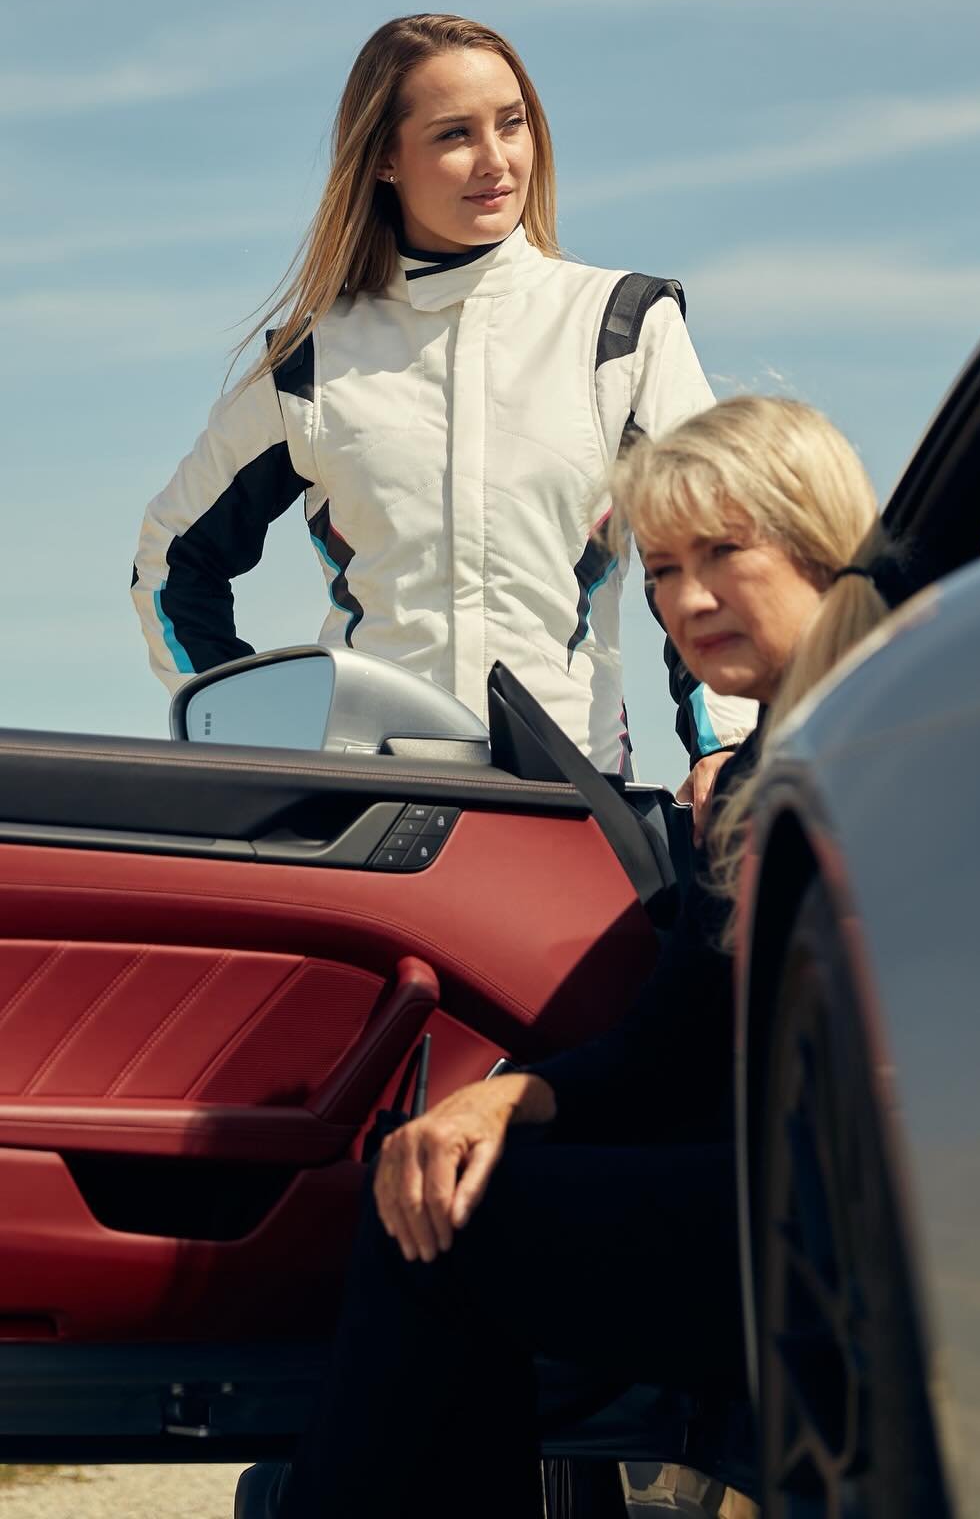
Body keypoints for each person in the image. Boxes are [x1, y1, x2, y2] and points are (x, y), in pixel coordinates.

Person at [234, 395, 906, 1519]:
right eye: (656, 571)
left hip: (869, 1202)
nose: (684, 601)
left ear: (821, 540)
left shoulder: (910, 728)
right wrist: (505, 1104)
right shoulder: (750, 780)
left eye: (722, 554)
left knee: (442, 1238)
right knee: (431, 1176)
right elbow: (669, 1044)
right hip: (773, 1194)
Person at [131, 13, 752, 793]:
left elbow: (716, 551)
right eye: (455, 135)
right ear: (385, 159)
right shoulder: (313, 359)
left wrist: (725, 750)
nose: (496, 161)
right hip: (366, 813)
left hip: (576, 800)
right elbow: (170, 561)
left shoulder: (622, 328)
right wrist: (247, 737)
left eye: (512, 124)